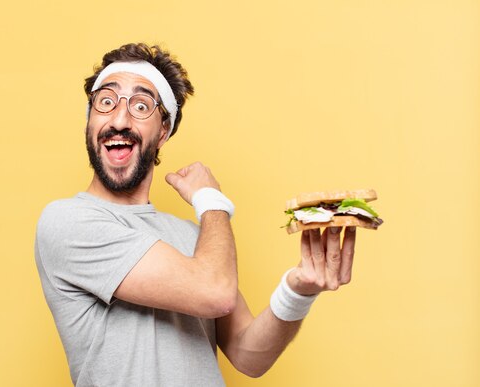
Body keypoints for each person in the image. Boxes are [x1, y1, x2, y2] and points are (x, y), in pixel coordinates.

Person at [35, 42, 357, 386]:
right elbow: (214, 293)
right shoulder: (67, 222)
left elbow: (248, 356)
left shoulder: (196, 240)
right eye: (106, 102)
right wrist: (212, 201)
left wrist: (297, 292)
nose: (119, 119)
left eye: (141, 105)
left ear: (162, 131)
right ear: (90, 120)